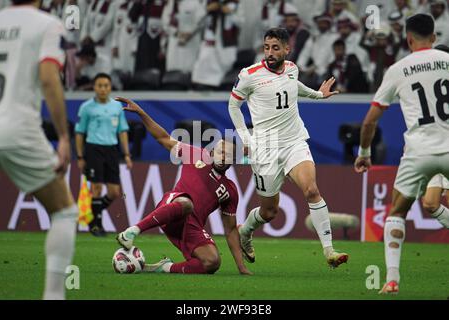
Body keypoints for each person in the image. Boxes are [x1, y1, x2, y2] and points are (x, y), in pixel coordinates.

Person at [228, 27, 349, 269]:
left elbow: (296, 87)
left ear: (286, 49)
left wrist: (318, 95)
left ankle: (329, 251)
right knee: (269, 211)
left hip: (294, 141)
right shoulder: (250, 75)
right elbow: (233, 107)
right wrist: (246, 139)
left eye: (275, 48)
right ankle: (245, 232)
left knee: (312, 190)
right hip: (266, 148)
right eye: (266, 47)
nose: (270, 53)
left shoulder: (292, 68)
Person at [354, 14, 449, 294]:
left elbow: (370, 121)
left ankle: (392, 279)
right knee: (431, 203)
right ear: (434, 37)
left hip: (418, 151)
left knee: (397, 212)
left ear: (408, 40)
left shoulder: (398, 69)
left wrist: (364, 153)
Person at [116, 97, 251, 275]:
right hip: (173, 206)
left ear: (234, 159)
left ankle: (164, 267)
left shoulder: (230, 190)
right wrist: (142, 113)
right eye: (220, 152)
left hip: (191, 227)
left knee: (212, 262)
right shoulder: (196, 154)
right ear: (212, 151)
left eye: (228, 155)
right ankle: (132, 232)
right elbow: (163, 138)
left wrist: (241, 267)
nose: (222, 156)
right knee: (187, 203)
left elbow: (230, 229)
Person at [0, 0, 77, 300]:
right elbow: (48, 78)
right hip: (18, 127)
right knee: (64, 211)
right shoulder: (47, 25)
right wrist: (63, 137)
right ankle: (54, 295)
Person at [75, 73, 133, 236]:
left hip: (112, 150)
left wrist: (127, 154)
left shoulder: (116, 107)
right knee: (97, 188)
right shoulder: (86, 107)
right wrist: (80, 156)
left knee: (114, 192)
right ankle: (97, 226)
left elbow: (122, 131)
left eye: (106, 85)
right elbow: (79, 132)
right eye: (99, 85)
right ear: (94, 87)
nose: (102, 89)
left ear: (110, 87)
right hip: (93, 149)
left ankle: (92, 216)